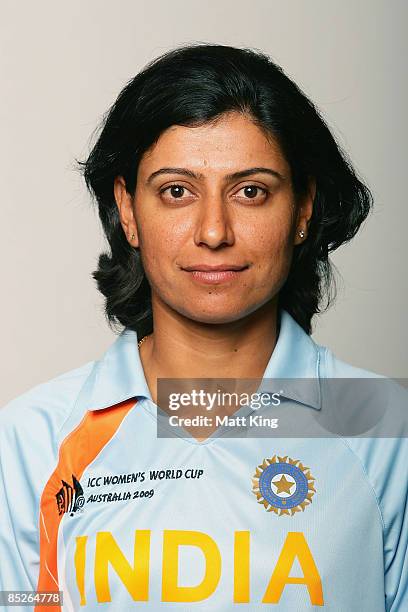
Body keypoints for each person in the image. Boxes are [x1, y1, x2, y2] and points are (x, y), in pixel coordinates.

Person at [0, 42, 406, 612]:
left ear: (305, 208)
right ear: (129, 211)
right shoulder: (32, 441)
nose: (214, 231)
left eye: (251, 191)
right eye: (176, 191)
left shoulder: (387, 432)